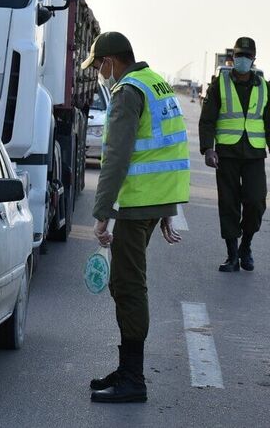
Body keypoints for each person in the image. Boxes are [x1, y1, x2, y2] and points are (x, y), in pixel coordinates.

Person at [81, 31, 189, 403]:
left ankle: (133, 378)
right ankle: (127, 368)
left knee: (128, 286)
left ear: (111, 61)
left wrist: (101, 215)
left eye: (98, 65)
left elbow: (116, 158)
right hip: (152, 202)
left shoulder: (128, 92)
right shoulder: (157, 83)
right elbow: (167, 150)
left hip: (137, 205)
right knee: (124, 283)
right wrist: (167, 211)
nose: (98, 72)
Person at [198, 36, 270, 272]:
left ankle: (246, 246)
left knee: (256, 201)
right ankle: (232, 255)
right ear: (232, 58)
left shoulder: (265, 86)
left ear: (254, 60)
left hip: (254, 155)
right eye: (239, 56)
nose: (243, 60)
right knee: (228, 204)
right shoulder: (220, 84)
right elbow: (207, 119)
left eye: (247, 57)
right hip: (226, 154)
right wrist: (208, 148)